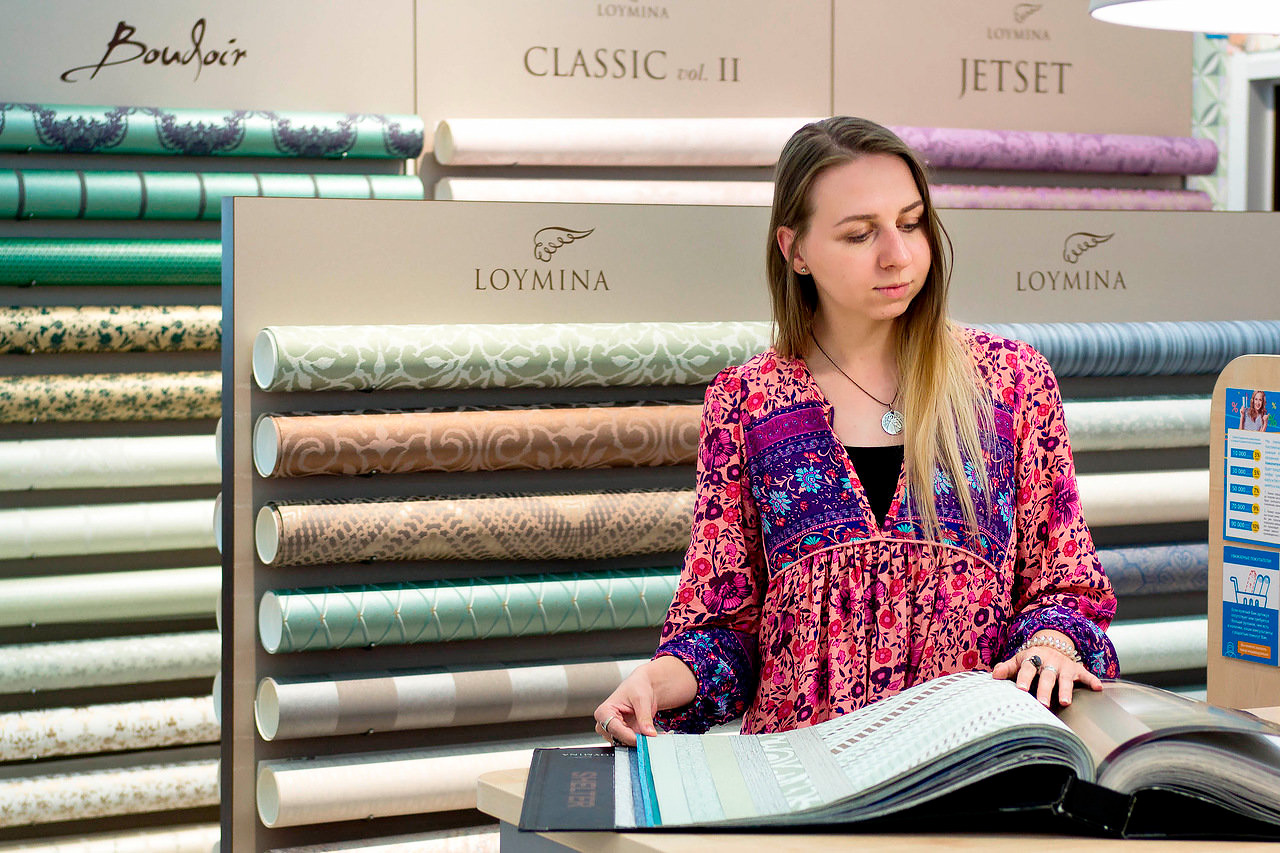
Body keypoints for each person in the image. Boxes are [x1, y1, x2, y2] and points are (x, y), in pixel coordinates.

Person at [594, 117, 1118, 747]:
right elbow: (726, 629)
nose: (898, 254)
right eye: (859, 234)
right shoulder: (748, 402)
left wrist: (1051, 646)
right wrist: (652, 683)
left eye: (911, 223)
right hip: (805, 778)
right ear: (795, 249)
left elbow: (1066, 587)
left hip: (972, 764)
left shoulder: (1010, 385)